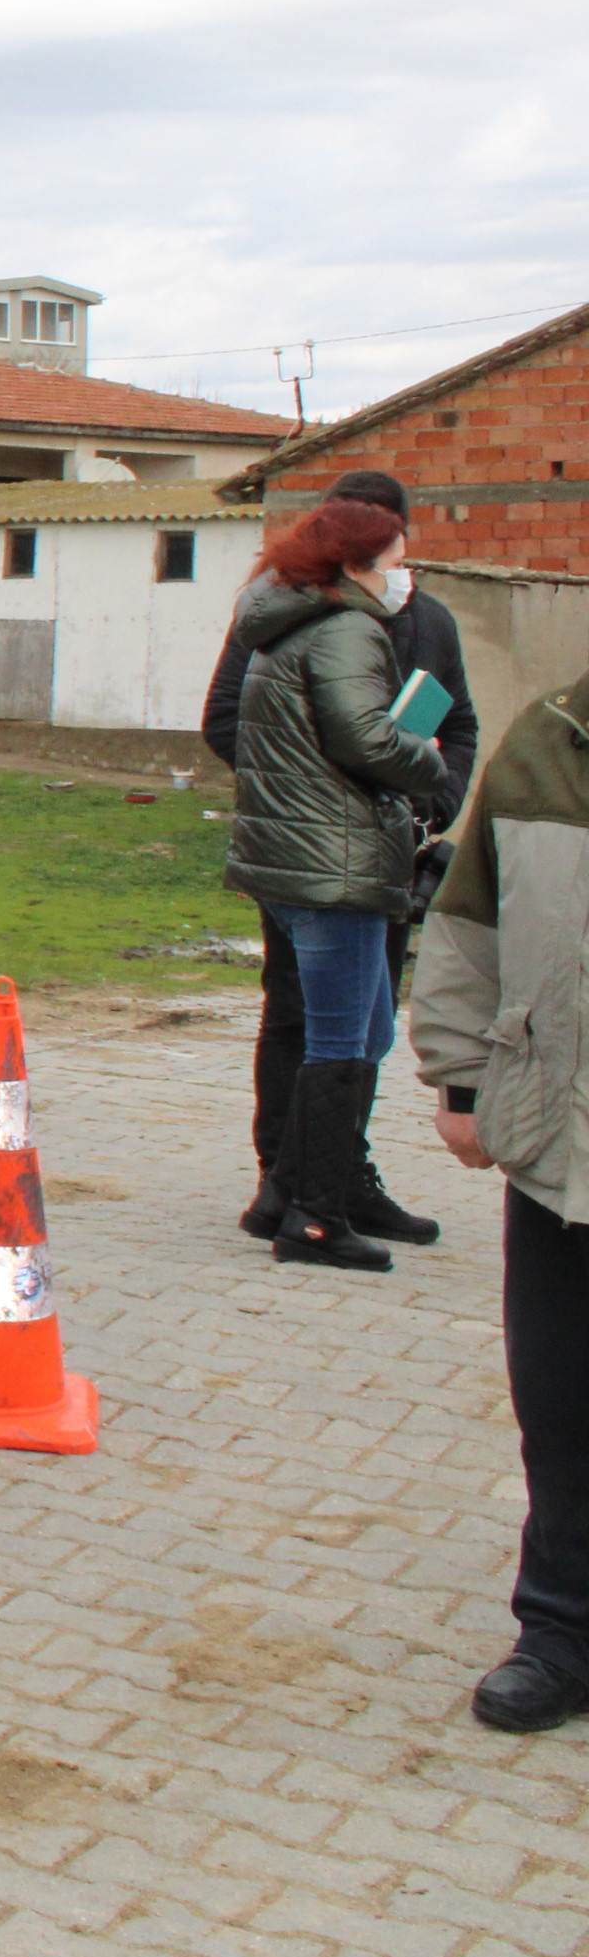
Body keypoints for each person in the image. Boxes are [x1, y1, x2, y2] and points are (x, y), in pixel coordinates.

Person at [204, 468, 478, 1249]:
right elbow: (362, 739)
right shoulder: (341, 627)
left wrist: (433, 794)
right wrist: (416, 765)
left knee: (365, 1028)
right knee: (333, 1035)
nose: (404, 573)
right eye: (393, 556)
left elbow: (453, 721)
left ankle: (317, 1186)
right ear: (354, 557)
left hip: (352, 850)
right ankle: (310, 1208)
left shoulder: (378, 621)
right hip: (333, 857)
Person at [408, 659, 589, 1734]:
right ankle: (560, 1628)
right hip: (562, 1138)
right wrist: (463, 1077)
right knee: (561, 1399)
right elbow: (469, 921)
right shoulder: (550, 740)